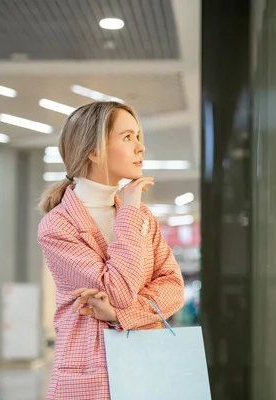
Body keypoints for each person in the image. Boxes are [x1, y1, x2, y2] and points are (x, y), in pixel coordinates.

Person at [37, 101, 185, 399]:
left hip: (145, 367)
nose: (140, 147)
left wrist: (119, 315)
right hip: (88, 375)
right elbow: (118, 289)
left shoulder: (143, 217)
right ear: (93, 150)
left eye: (139, 136)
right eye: (127, 137)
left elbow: (174, 288)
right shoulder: (58, 226)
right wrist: (129, 210)